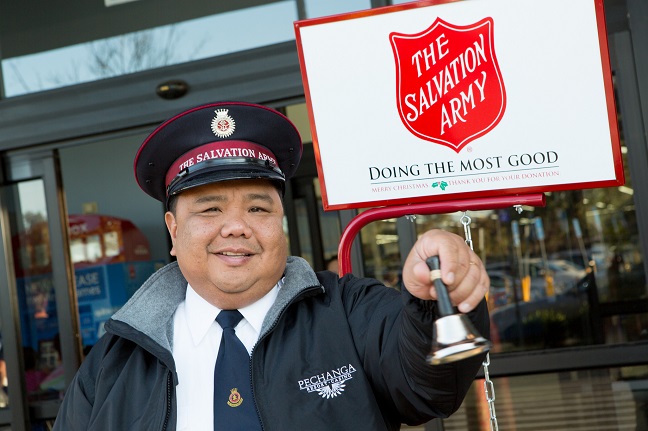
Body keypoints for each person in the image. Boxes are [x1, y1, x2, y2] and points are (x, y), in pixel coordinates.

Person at [53, 102, 490, 431]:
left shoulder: (348, 310)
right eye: (209, 210)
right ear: (172, 230)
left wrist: (439, 299)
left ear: (280, 223)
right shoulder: (117, 358)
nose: (237, 228)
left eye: (259, 208)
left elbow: (427, 388)